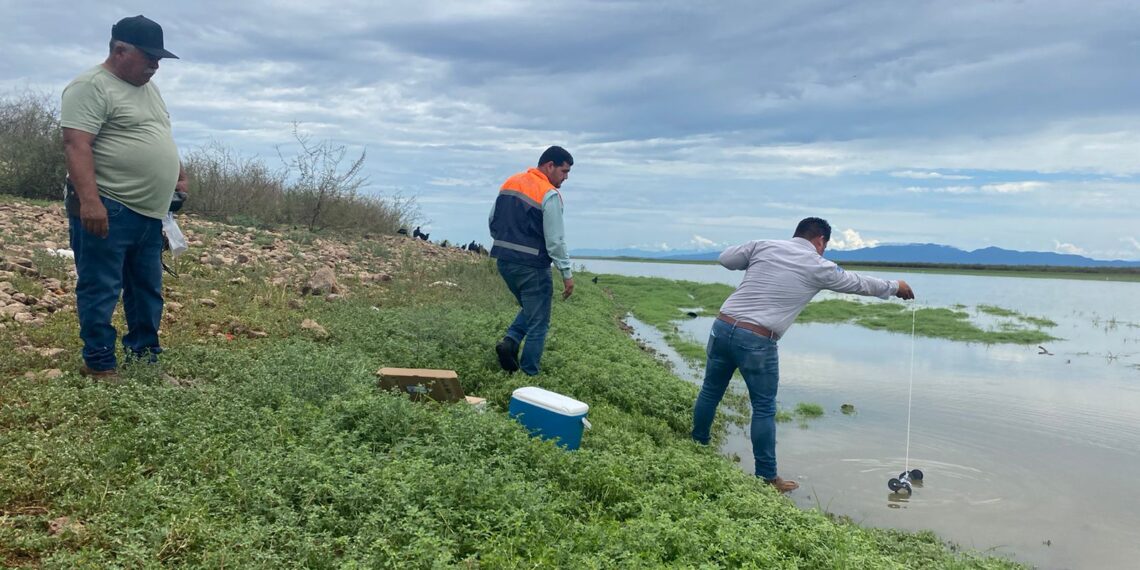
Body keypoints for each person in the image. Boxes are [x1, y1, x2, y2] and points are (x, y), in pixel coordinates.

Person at [692, 217, 915, 492]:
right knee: (763, 407)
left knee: (710, 391)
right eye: (824, 246)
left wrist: (753, 255)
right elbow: (858, 283)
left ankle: (697, 446)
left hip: (723, 326)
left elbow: (726, 259)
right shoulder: (818, 265)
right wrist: (896, 286)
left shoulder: (764, 246)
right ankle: (766, 478)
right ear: (820, 241)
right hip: (757, 340)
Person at [61, 15, 186, 378]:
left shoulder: (149, 89)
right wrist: (90, 202)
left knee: (147, 291)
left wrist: (176, 172)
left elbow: (158, 131)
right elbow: (76, 144)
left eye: (159, 59)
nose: (155, 65)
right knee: (101, 287)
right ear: (119, 50)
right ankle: (100, 365)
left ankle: (144, 360)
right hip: (109, 207)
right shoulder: (90, 86)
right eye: (149, 56)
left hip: (150, 213)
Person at [489, 146, 575, 375]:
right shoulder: (549, 193)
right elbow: (555, 241)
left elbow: (492, 220)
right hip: (533, 267)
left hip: (505, 262)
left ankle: (510, 343)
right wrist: (567, 273)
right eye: (564, 171)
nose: (565, 177)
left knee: (531, 308)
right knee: (539, 322)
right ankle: (529, 375)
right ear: (549, 166)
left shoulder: (510, 182)